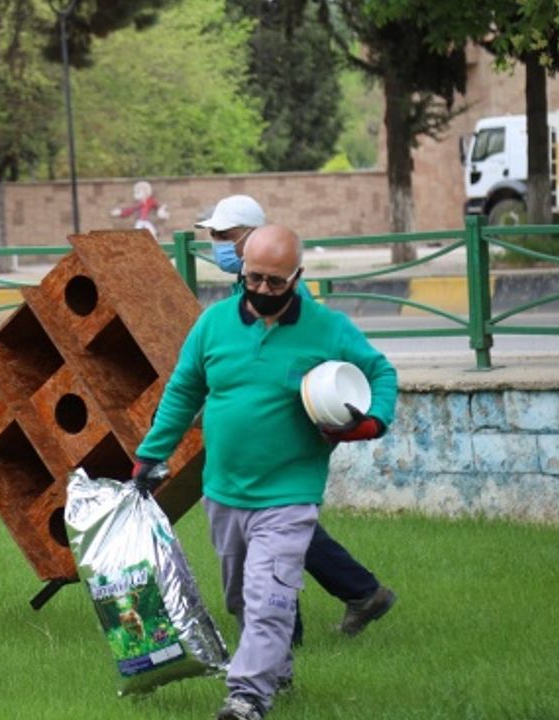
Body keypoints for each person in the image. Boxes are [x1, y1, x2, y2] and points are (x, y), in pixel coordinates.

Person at [134, 224, 398, 720]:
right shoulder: (213, 325)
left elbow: (381, 372)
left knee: (269, 594)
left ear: (297, 276)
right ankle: (276, 667)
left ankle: (248, 697)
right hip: (224, 491)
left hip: (289, 493)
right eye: (253, 278)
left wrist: (371, 421)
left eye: (276, 282)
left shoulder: (328, 329)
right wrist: (150, 455)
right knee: (240, 595)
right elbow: (183, 391)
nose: (262, 290)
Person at [197, 195, 397, 644]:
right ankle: (357, 595)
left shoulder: (286, 297)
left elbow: (333, 364)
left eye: (224, 237)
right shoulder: (239, 295)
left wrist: (369, 421)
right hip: (255, 455)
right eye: (212, 237)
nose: (216, 246)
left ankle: (302, 627)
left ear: (251, 236)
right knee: (281, 535)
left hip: (288, 443)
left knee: (281, 534)